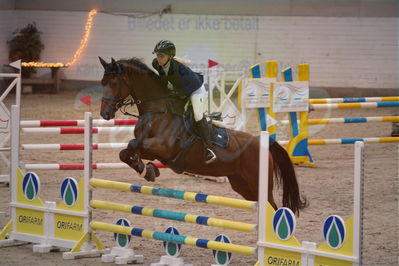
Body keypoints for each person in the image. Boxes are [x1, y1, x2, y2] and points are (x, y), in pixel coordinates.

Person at [151, 40, 216, 164]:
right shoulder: (156, 64)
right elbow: (163, 81)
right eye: (157, 55)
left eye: (161, 56)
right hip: (180, 88)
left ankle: (209, 148)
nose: (158, 59)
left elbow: (183, 91)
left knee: (197, 114)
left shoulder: (178, 70)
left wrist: (171, 96)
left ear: (170, 57)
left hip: (195, 89)